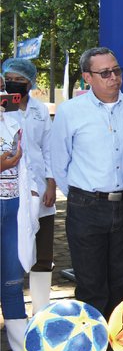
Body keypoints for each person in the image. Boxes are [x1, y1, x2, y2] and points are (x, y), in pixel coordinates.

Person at [50, 47, 123, 318]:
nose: (113, 77)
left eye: (116, 70)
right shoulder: (70, 112)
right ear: (87, 78)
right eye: (105, 73)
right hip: (86, 207)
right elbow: (59, 161)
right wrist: (81, 196)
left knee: (119, 285)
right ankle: (91, 350)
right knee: (91, 286)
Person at [1, 66, 46, 351]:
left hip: (13, 208)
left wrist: (31, 192)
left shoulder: (12, 120)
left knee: (13, 282)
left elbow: (25, 161)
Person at [3, 59, 55, 315]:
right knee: (12, 254)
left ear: (30, 83)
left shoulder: (39, 110)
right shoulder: (3, 107)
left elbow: (48, 148)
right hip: (11, 190)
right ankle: (13, 309)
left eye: (20, 80)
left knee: (43, 255)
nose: (14, 83)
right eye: (9, 77)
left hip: (41, 188)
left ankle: (41, 312)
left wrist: (51, 182)